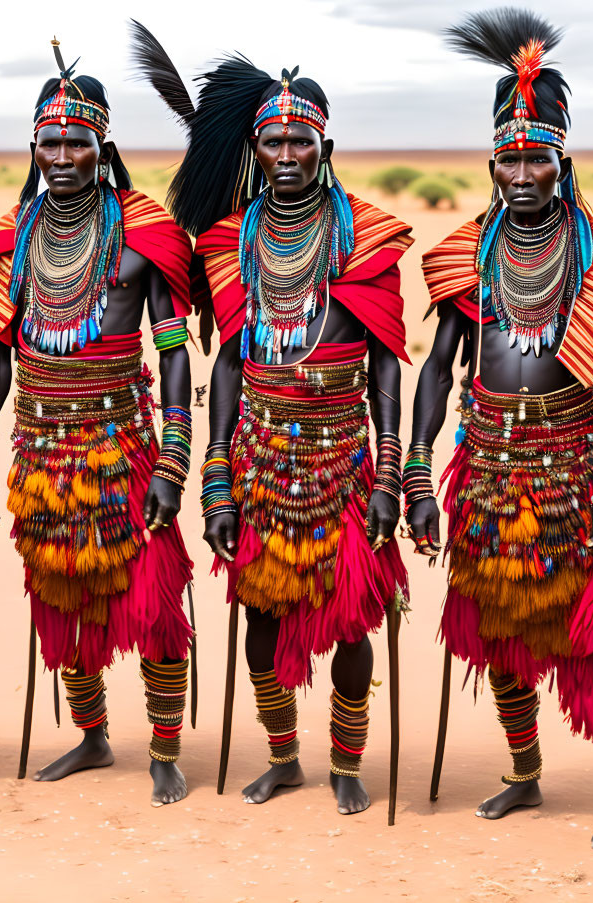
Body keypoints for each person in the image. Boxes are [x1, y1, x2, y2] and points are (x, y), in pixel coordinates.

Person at [408, 8, 593, 848]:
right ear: (491, 163)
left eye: (536, 157)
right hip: (485, 469)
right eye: (508, 158)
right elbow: (438, 368)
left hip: (576, 467)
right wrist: (415, 475)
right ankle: (523, 774)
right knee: (499, 628)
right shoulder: (466, 256)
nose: (521, 171)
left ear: (562, 160)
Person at [162, 41, 412, 815]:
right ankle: (283, 756)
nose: (288, 153)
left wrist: (390, 473)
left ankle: (345, 762)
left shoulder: (363, 237)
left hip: (343, 463)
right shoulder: (230, 243)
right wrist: (216, 478)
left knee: (349, 625)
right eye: (273, 141)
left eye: (301, 140)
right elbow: (227, 368)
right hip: (261, 462)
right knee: (262, 632)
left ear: (325, 146)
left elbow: (388, 366)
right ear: (255, 149)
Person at [0, 41, 195, 805]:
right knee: (60, 600)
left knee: (156, 603)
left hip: (123, 447)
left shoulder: (143, 232)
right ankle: (93, 737)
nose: (63, 154)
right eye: (50, 141)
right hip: (40, 453)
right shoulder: (14, 239)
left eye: (77, 141)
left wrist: (174, 462)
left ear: (103, 148)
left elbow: (174, 353)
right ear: (34, 146)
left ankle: (164, 749)